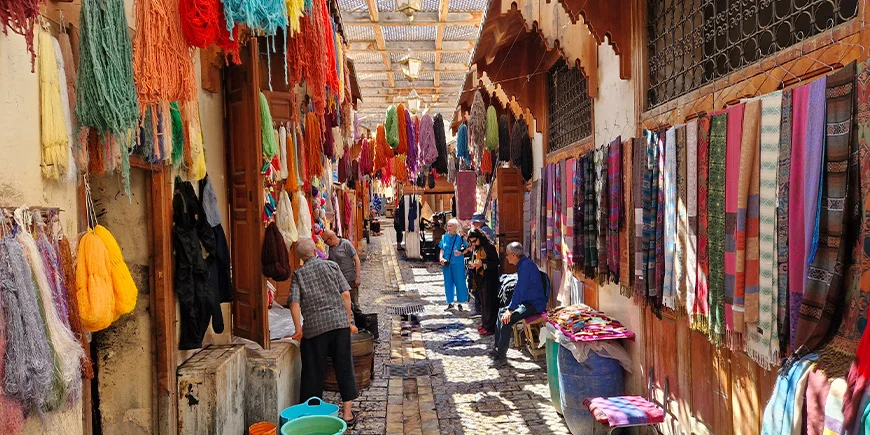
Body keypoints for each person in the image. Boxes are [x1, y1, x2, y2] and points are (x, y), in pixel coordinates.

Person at [289, 239, 359, 427]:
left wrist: (298, 330)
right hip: (338, 325)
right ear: (315, 250)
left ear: (300, 257)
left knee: (313, 372)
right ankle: (347, 415)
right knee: (344, 367)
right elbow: (346, 294)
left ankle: (312, 416)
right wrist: (348, 321)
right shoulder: (332, 266)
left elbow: (294, 303)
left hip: (314, 330)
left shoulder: (299, 274)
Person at [490, 242, 548, 368]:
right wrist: (509, 309)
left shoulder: (526, 266)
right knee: (501, 313)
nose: (506, 257)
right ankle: (497, 348)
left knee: (507, 319)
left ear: (514, 255)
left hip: (534, 305)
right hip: (527, 302)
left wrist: (510, 309)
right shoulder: (523, 265)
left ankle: (501, 357)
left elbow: (519, 290)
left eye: (507, 254)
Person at [467, 229, 501, 336]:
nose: (473, 243)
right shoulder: (476, 248)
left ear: (480, 238)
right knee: (483, 302)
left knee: (489, 303)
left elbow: (496, 263)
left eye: (474, 241)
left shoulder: (489, 247)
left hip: (489, 278)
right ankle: (485, 323)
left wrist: (483, 264)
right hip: (480, 279)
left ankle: (490, 327)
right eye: (471, 241)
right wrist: (472, 265)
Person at [323, 230, 362, 311]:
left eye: (326, 242)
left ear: (330, 239)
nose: (326, 244)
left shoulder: (346, 244)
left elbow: (356, 259)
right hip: (338, 280)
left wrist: (357, 277)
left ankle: (357, 321)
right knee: (343, 304)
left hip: (350, 279)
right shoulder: (330, 248)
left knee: (354, 304)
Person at [438, 218, 469, 311]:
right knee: (448, 282)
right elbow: (441, 249)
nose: (449, 227)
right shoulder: (444, 237)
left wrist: (461, 253)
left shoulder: (460, 237)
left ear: (455, 227)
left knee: (459, 282)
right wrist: (441, 258)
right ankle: (450, 302)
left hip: (458, 263)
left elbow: (468, 247)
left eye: (451, 226)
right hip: (447, 264)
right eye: (448, 225)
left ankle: (460, 303)